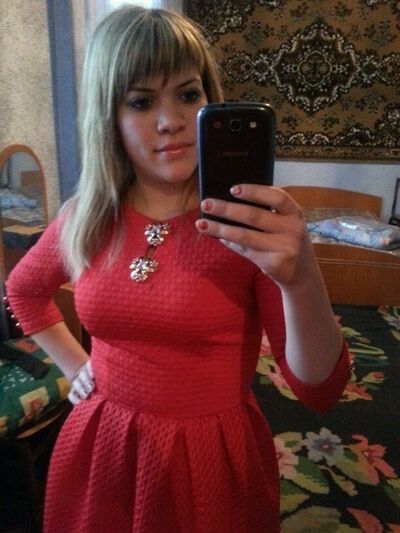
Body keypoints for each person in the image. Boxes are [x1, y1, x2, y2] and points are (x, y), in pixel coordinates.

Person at [5, 6, 351, 532]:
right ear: (109, 117)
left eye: (188, 95)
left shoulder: (250, 225)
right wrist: (77, 366)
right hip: (103, 450)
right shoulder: (87, 216)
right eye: (141, 101)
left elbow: (318, 391)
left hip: (209, 458)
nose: (170, 121)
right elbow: (24, 289)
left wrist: (301, 277)